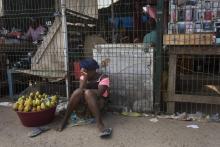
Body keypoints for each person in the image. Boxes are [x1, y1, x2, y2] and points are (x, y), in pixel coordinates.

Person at [58, 58, 112, 137]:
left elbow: (99, 94)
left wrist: (87, 91)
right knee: (77, 92)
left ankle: (100, 124)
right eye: (82, 69)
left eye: (84, 70)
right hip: (85, 106)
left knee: (88, 93)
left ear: (92, 71)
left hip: (99, 104)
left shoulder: (104, 78)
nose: (82, 71)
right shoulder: (84, 76)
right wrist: (84, 80)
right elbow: (80, 91)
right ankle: (65, 120)